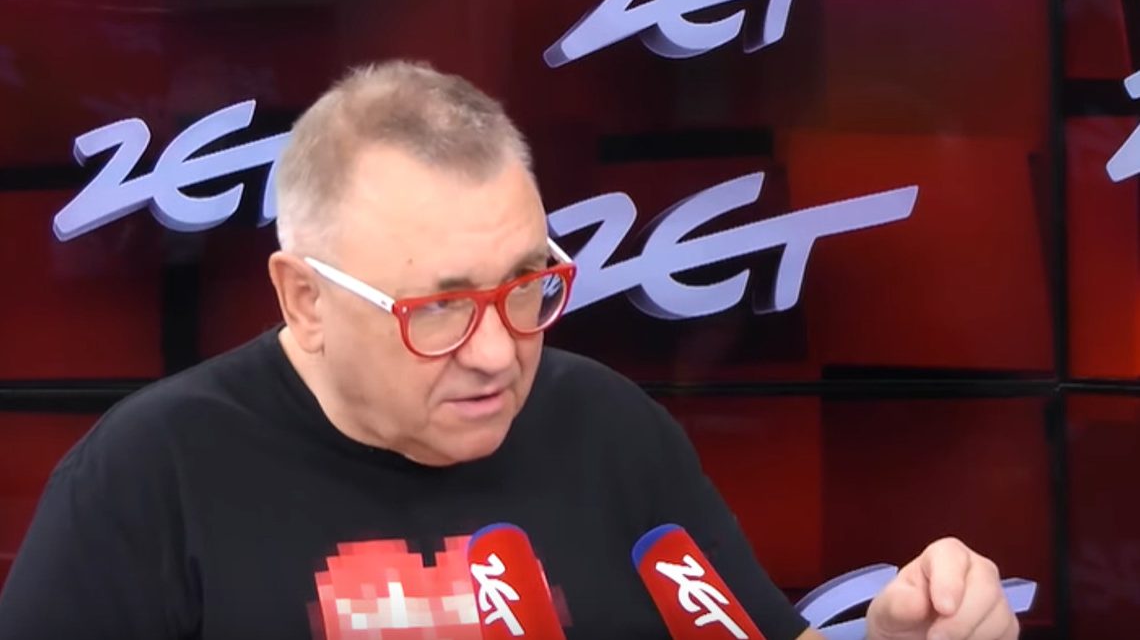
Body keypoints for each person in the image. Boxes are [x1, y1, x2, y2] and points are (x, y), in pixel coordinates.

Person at [0, 60, 1019, 640]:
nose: (497, 354)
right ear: (305, 298)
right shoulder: (147, 481)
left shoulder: (611, 431)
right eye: (438, 310)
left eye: (528, 287)